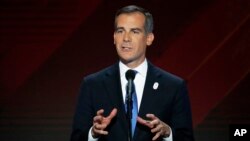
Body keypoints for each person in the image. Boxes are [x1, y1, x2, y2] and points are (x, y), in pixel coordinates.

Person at [70, 5, 194, 141]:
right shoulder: (92, 85)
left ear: (149, 38)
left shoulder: (173, 86)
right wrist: (93, 134)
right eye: (120, 31)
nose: (126, 38)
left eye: (134, 31)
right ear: (114, 37)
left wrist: (168, 133)